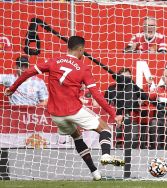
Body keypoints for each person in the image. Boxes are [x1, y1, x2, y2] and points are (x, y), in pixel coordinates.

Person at [4, 36, 125, 181]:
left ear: (68, 48)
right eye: (83, 51)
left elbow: (28, 72)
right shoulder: (83, 68)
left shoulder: (53, 62)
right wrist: (113, 114)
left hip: (56, 114)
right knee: (105, 129)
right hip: (74, 110)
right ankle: (105, 155)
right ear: (81, 49)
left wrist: (12, 88)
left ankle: (95, 173)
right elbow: (97, 95)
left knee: (77, 136)